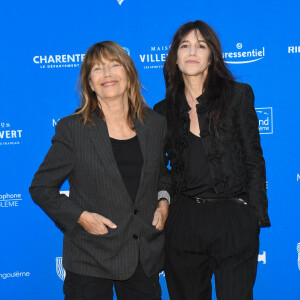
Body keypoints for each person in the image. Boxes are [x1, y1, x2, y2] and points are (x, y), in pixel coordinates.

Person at [29, 41, 171, 300]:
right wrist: (81, 217)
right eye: (97, 69)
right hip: (89, 258)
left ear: (129, 75)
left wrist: (163, 201)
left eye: (115, 65)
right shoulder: (73, 129)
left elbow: (162, 173)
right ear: (90, 84)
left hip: (142, 256)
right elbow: (41, 188)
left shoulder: (154, 124)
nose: (107, 74)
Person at [153, 20, 271, 300]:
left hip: (233, 217)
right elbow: (162, 170)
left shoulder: (238, 96)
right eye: (184, 46)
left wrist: (252, 217)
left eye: (200, 45)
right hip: (184, 221)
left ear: (211, 55)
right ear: (175, 56)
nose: (192, 51)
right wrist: (163, 204)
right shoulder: (161, 110)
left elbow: (254, 159)